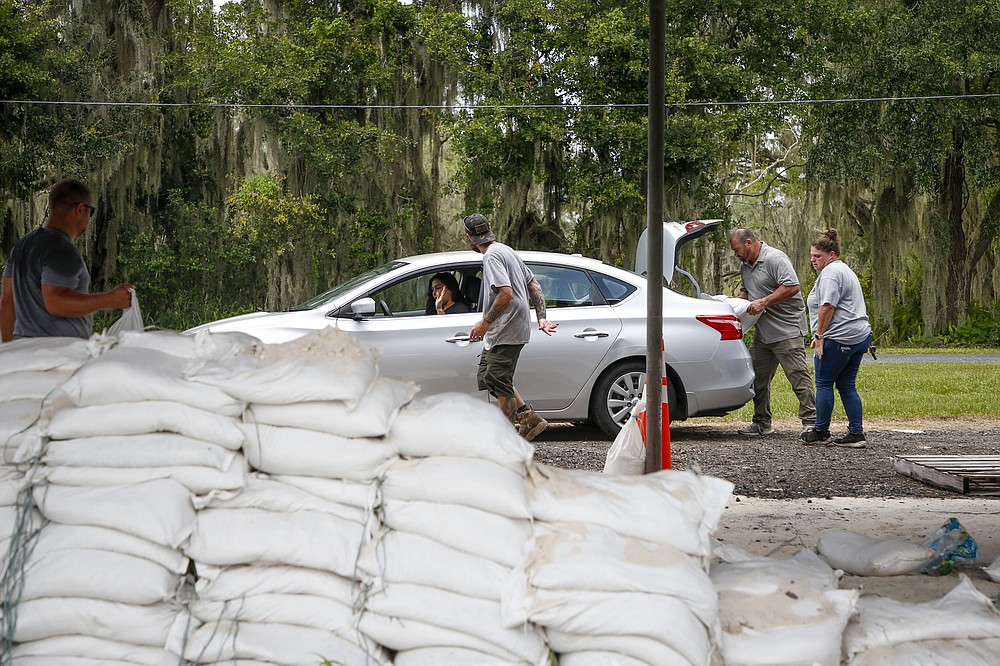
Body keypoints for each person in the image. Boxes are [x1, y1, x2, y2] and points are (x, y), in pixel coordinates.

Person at [1, 178, 133, 342]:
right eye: (90, 212)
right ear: (80, 209)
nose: (89, 219)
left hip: (24, 350)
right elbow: (56, 302)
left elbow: (7, 303)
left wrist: (9, 351)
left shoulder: (22, 246)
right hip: (58, 354)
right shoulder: (62, 250)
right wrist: (110, 299)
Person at [464, 213, 558, 441]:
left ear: (469, 237)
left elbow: (505, 293)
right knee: (489, 377)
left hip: (507, 328)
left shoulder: (492, 256)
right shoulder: (506, 250)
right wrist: (541, 317)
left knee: (497, 378)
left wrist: (484, 323)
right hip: (505, 329)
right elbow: (533, 284)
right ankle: (528, 417)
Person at [729, 228, 816, 436]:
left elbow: (793, 286)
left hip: (787, 330)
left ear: (749, 242)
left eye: (737, 249)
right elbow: (746, 292)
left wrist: (764, 301)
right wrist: (729, 304)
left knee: (798, 377)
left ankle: (812, 421)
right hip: (763, 333)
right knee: (757, 378)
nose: (736, 254)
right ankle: (761, 422)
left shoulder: (775, 258)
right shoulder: (745, 265)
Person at [801, 229, 872, 448]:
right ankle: (856, 434)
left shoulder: (831, 272)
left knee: (823, 383)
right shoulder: (843, 270)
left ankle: (821, 431)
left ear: (832, 254)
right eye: (812, 255)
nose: (813, 260)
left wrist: (819, 337)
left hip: (839, 337)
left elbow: (827, 306)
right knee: (847, 385)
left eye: (818, 256)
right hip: (859, 336)